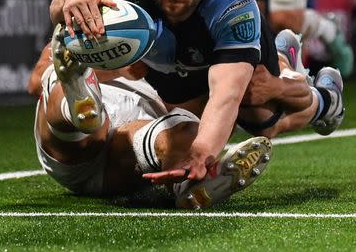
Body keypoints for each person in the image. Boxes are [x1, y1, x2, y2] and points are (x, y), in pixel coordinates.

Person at [47, 0, 345, 190]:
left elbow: (226, 95)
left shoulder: (233, 8)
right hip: (177, 68)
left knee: (261, 113)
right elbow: (74, 2)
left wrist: (202, 153)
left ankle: (324, 99)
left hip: (229, 66)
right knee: (181, 105)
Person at [28, 38, 272, 209]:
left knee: (188, 132)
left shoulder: (165, 43)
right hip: (75, 145)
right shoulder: (72, 39)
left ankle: (189, 187)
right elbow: (36, 80)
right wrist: (116, 70)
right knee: (60, 86)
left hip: (129, 138)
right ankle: (82, 101)